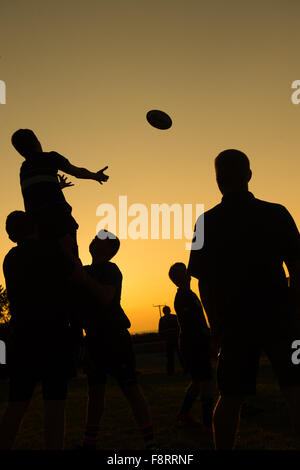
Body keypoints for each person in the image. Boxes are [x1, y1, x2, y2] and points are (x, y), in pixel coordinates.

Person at [188, 149, 300, 450]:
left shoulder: (205, 222)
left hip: (234, 322)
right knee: (295, 388)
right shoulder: (276, 212)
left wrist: (214, 327)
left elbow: (204, 284)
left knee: (231, 397)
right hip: (280, 316)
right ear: (248, 175)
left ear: (218, 180)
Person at [0, 211, 77, 450]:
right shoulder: (54, 251)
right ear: (34, 226)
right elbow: (73, 280)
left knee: (16, 405)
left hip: (23, 338)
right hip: (54, 336)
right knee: (55, 406)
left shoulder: (10, 258)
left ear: (11, 236)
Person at [79, 230, 155, 450]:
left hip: (115, 338)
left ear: (109, 249)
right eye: (93, 237)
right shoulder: (83, 270)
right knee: (95, 393)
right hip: (93, 339)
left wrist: (84, 279)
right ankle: (89, 442)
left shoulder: (111, 270)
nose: (93, 240)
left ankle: (150, 444)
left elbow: (105, 296)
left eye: (99, 239)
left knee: (131, 390)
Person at [11, 129, 109, 247]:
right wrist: (95, 176)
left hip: (37, 227)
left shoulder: (24, 169)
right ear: (37, 142)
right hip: (59, 219)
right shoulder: (51, 157)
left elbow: (38, 193)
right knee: (70, 258)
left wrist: (57, 187)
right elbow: (77, 172)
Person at [168, 262, 214, 431]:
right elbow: (192, 325)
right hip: (194, 344)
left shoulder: (188, 294)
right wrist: (206, 341)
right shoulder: (183, 297)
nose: (187, 273)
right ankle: (208, 424)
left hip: (195, 343)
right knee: (206, 382)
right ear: (177, 278)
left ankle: (184, 413)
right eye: (183, 272)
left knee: (197, 382)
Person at [158, 306, 181, 375]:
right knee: (175, 356)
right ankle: (171, 371)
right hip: (173, 339)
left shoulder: (164, 319)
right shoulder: (174, 317)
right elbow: (161, 331)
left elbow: (160, 331)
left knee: (173, 356)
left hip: (173, 339)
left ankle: (171, 371)